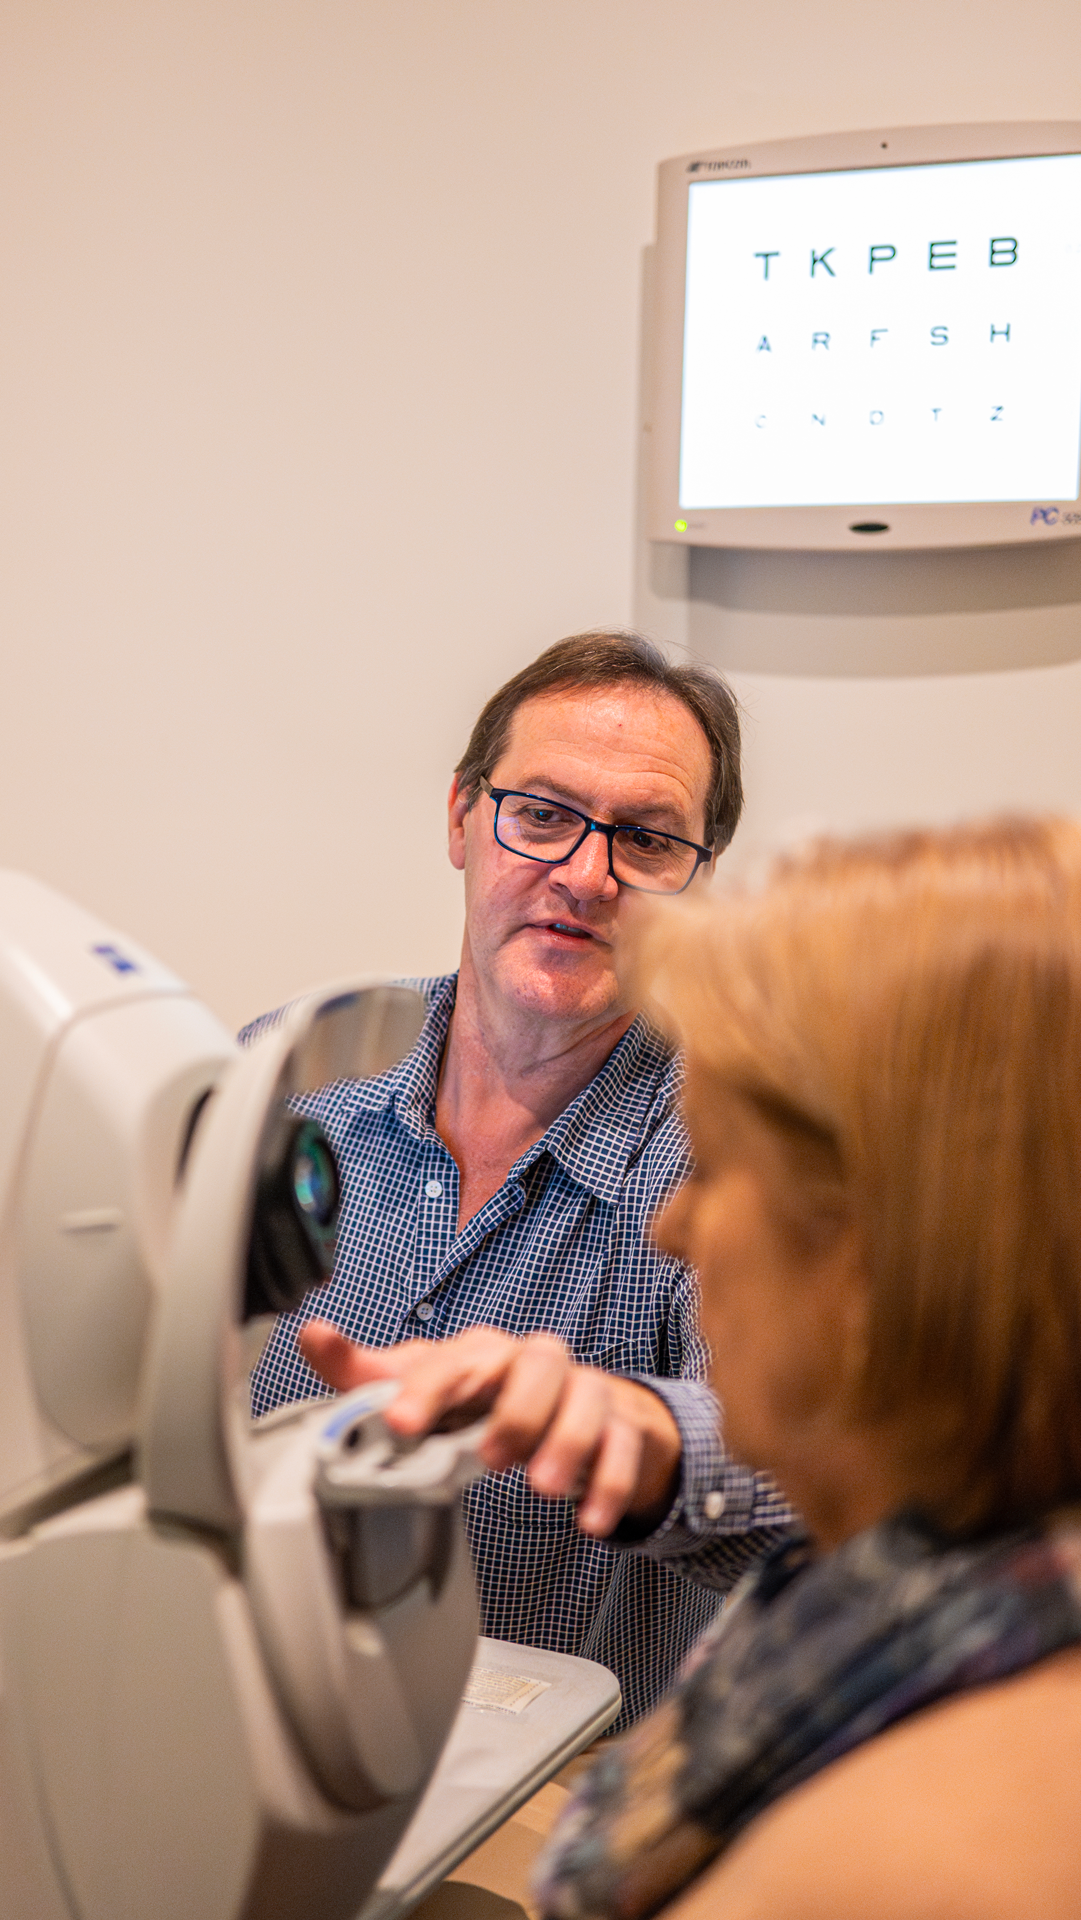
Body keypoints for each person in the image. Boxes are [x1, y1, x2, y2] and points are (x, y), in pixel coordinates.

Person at [526, 816, 1081, 1917]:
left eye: (714, 1166)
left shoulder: (910, 1862)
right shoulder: (930, 1591)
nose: (669, 1229)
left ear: (880, 1250)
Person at [246, 631, 791, 1729]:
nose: (585, 876)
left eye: (643, 840)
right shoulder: (294, 1076)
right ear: (460, 818)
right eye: (539, 814)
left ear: (699, 881)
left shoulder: (740, 1147)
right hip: (237, 1737)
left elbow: (799, 1453)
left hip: (539, 1818)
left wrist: (628, 1433)